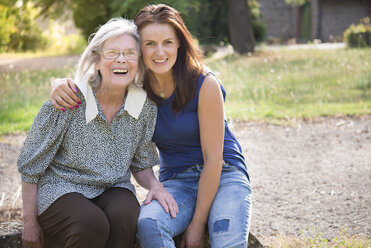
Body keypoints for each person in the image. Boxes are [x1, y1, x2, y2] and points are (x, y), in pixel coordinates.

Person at [50, 4, 252, 248]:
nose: (159, 52)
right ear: (139, 48)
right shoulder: (135, 87)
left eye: (168, 42)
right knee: (149, 224)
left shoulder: (204, 83)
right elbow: (96, 82)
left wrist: (197, 224)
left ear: (180, 44)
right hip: (177, 179)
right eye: (149, 44)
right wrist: (59, 83)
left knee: (226, 240)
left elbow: (214, 160)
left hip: (224, 175)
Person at [17, 17, 177, 248]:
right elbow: (31, 165)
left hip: (113, 187)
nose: (121, 60)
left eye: (130, 53)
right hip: (62, 187)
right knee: (90, 224)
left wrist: (156, 187)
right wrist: (29, 222)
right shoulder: (69, 99)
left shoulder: (144, 106)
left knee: (128, 215)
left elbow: (141, 162)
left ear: (138, 62)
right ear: (97, 59)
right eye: (112, 52)